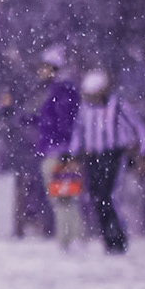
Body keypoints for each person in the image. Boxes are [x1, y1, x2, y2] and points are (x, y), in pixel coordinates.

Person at [62, 69, 145, 255]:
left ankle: (117, 237)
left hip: (112, 155)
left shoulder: (118, 106)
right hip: (92, 156)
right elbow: (79, 132)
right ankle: (109, 238)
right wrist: (72, 155)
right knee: (96, 197)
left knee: (107, 196)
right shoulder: (85, 109)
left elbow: (138, 128)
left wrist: (143, 152)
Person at [26, 46, 82, 245]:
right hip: (60, 150)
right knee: (65, 198)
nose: (40, 72)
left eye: (44, 67)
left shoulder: (61, 91)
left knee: (62, 198)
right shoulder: (62, 91)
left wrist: (67, 150)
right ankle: (71, 237)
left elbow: (63, 122)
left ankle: (68, 238)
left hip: (58, 152)